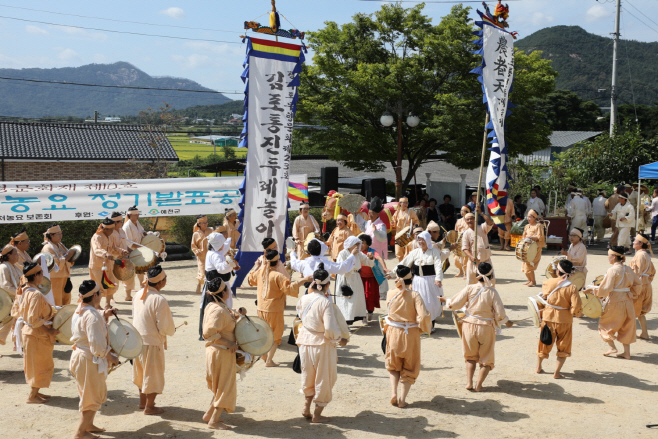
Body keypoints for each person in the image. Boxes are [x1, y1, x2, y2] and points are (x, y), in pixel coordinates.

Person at [441, 262, 512, 391]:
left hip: (468, 325)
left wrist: (446, 300)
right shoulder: (493, 292)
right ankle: (479, 385)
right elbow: (500, 314)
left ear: (476, 274)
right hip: (485, 327)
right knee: (486, 359)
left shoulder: (470, 288)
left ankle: (469, 382)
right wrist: (507, 322)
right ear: (492, 276)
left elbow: (454, 304)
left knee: (470, 356)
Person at [296, 263, 348, 423]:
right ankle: (317, 415)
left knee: (308, 375)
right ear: (327, 284)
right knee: (324, 378)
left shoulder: (304, 298)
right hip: (322, 344)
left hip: (305, 342)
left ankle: (306, 408)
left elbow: (300, 315)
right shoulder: (325, 303)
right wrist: (341, 339)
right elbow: (330, 328)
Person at [69, 280, 119, 439]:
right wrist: (112, 357)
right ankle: (80, 432)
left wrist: (104, 314)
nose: (102, 294)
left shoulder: (81, 309)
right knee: (92, 396)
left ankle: (88, 425)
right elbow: (97, 346)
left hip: (80, 357)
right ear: (95, 295)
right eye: (100, 292)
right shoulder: (91, 316)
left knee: (88, 394)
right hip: (88, 360)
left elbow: (87, 325)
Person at [247, 249, 309, 366]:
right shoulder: (278, 276)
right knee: (275, 335)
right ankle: (269, 361)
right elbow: (289, 288)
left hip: (261, 308)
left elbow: (250, 279)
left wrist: (257, 266)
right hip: (274, 309)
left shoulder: (261, 272)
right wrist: (304, 280)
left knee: (264, 333)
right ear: (278, 262)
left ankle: (264, 355)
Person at [385, 265, 431, 407]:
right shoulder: (415, 295)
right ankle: (402, 399)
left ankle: (393, 392)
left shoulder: (390, 293)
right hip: (410, 334)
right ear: (411, 278)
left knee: (393, 365)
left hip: (393, 332)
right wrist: (424, 328)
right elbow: (423, 316)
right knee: (409, 368)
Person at [132, 265, 176, 415]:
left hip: (137, 342)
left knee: (141, 373)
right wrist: (170, 331)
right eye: (165, 279)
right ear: (160, 282)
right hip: (151, 343)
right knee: (152, 376)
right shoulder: (159, 300)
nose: (165, 281)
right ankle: (149, 407)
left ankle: (142, 402)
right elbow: (165, 326)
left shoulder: (138, 294)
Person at [202, 278, 243, 430]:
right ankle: (214, 421)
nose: (229, 291)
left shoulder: (214, 305)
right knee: (226, 386)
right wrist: (228, 343)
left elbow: (224, 322)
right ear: (223, 292)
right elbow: (208, 333)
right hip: (221, 353)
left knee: (220, 385)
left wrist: (237, 315)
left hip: (217, 352)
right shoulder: (218, 310)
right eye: (227, 289)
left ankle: (209, 414)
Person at [14, 261, 57, 404]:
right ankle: (32, 396)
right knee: (40, 365)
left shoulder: (23, 290)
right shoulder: (35, 294)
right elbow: (33, 319)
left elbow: (18, 312)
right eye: (41, 273)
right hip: (36, 334)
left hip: (31, 334)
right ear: (37, 275)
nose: (43, 275)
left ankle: (36, 392)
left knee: (37, 364)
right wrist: (49, 330)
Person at [535, 260, 583, 379]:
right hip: (564, 319)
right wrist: (575, 313)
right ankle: (556, 373)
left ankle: (539, 367)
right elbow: (576, 306)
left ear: (557, 271)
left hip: (548, 317)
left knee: (544, 342)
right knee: (563, 346)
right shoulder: (572, 287)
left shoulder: (547, 282)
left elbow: (542, 298)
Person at [592, 247, 642, 359]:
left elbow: (606, 289)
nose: (608, 257)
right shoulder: (628, 269)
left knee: (605, 325)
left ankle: (612, 347)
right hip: (628, 300)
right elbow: (638, 284)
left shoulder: (612, 270)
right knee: (627, 326)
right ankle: (627, 353)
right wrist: (633, 294)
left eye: (608, 255)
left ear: (614, 256)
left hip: (615, 301)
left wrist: (594, 291)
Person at [200, 233, 239, 339]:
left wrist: (230, 237)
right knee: (220, 308)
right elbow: (221, 269)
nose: (224, 245)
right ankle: (222, 330)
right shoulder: (215, 255)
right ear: (218, 245)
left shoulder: (215, 251)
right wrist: (229, 263)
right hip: (218, 288)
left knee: (225, 307)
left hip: (221, 285)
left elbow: (225, 246)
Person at [400, 231, 444, 325]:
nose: (421, 242)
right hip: (417, 281)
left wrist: (438, 279)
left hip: (431, 281)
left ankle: (430, 325)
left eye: (423, 239)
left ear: (428, 240)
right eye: (419, 240)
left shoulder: (434, 251)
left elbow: (438, 266)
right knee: (419, 302)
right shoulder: (415, 252)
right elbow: (404, 263)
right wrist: (392, 273)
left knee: (430, 303)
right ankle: (420, 323)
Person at [290, 238, 357, 296]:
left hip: (309, 293)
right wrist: (351, 255)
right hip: (324, 294)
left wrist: (292, 253)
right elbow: (343, 267)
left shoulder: (304, 263)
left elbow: (293, 263)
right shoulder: (326, 264)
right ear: (321, 250)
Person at [334, 236, 374, 325]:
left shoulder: (359, 254)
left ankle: (358, 318)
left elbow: (369, 263)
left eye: (358, 244)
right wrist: (352, 255)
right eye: (355, 244)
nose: (357, 246)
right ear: (350, 244)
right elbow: (341, 266)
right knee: (346, 300)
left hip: (356, 278)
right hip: (345, 279)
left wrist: (370, 257)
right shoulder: (342, 253)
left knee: (357, 299)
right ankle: (345, 323)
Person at [90, 218, 122, 309]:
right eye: (111, 230)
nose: (112, 231)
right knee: (99, 287)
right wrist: (106, 254)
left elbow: (114, 247)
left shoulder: (111, 236)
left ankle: (107, 304)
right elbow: (97, 250)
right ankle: (97, 305)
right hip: (98, 265)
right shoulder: (97, 237)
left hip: (108, 264)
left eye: (113, 229)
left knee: (111, 284)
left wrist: (121, 251)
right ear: (104, 229)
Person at [41, 224, 76, 307]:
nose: (61, 236)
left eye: (61, 233)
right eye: (58, 234)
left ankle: (64, 318)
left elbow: (68, 258)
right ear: (51, 235)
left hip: (65, 277)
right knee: (56, 302)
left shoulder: (60, 245)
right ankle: (56, 319)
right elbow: (55, 263)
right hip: (54, 279)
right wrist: (68, 256)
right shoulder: (47, 248)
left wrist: (72, 256)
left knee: (66, 300)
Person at [629, 234, 655, 340]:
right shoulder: (645, 255)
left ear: (640, 244)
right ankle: (644, 333)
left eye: (635, 240)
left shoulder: (640, 255)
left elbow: (636, 273)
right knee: (640, 312)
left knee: (632, 311)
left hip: (639, 287)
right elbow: (653, 272)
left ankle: (630, 334)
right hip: (646, 286)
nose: (633, 242)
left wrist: (630, 284)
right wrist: (646, 281)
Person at [462, 209, 496, 285]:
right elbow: (465, 248)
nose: (470, 221)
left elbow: (490, 222)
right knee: (471, 283)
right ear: (465, 221)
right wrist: (470, 256)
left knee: (489, 282)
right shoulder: (466, 233)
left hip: (485, 260)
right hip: (473, 262)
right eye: (467, 219)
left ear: (475, 219)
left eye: (471, 218)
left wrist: (481, 213)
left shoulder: (482, 227)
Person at [358, 233, 391, 312]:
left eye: (363, 243)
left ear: (368, 244)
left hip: (371, 278)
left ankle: (370, 312)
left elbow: (379, 258)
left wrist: (384, 268)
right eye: (359, 242)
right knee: (360, 296)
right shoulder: (357, 251)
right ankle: (362, 314)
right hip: (359, 278)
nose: (361, 245)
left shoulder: (372, 251)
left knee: (369, 296)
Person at [123, 206, 147, 301]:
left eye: (138, 214)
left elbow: (142, 231)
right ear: (129, 215)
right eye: (135, 214)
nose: (137, 216)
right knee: (129, 274)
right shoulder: (127, 226)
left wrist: (147, 234)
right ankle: (127, 295)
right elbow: (128, 242)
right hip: (129, 251)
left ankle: (142, 286)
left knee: (140, 269)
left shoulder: (137, 223)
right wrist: (140, 247)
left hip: (138, 249)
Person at [0, 245, 22, 348]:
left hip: (15, 298)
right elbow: (5, 285)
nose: (17, 256)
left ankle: (17, 344)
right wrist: (19, 293)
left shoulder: (14, 265)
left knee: (16, 321)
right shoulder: (4, 267)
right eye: (15, 254)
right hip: (6, 300)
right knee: (6, 322)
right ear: (8, 255)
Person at [108, 213, 133, 301]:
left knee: (129, 276)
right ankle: (110, 297)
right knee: (113, 279)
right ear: (115, 222)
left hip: (125, 258)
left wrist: (129, 250)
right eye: (120, 222)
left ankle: (128, 295)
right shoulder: (110, 233)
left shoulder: (122, 231)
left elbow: (125, 244)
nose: (122, 223)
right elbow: (111, 247)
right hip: (114, 259)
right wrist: (121, 252)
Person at [521, 210, 545, 287]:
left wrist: (531, 237)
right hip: (527, 248)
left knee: (529, 265)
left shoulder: (538, 226)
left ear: (534, 218)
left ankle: (533, 281)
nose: (528, 218)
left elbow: (540, 237)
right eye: (527, 216)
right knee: (524, 264)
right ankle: (530, 280)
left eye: (530, 217)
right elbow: (523, 237)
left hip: (535, 248)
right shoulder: (526, 226)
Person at [191, 215, 214, 295]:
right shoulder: (196, 234)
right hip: (201, 256)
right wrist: (197, 251)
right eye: (203, 223)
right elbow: (193, 245)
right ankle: (199, 283)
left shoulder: (211, 231)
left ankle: (209, 288)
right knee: (202, 273)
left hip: (211, 255)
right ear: (199, 224)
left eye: (206, 222)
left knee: (211, 272)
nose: (205, 224)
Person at [392, 197, 419, 261]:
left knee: (408, 252)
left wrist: (414, 228)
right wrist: (393, 222)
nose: (406, 204)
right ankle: (401, 266)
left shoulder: (411, 212)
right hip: (399, 235)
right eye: (404, 203)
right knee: (398, 252)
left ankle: (408, 267)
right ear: (400, 203)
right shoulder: (397, 212)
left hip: (408, 235)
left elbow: (416, 221)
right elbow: (394, 222)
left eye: (407, 203)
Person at [453, 206, 471, 278]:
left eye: (463, 210)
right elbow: (456, 231)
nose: (461, 212)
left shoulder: (470, 221)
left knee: (465, 258)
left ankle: (466, 273)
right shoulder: (458, 221)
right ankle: (460, 271)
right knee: (456, 258)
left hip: (466, 240)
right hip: (458, 241)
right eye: (461, 210)